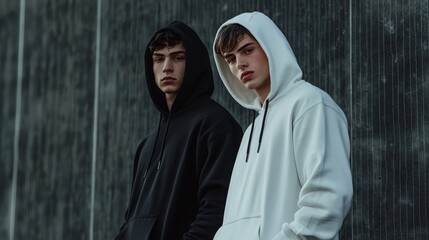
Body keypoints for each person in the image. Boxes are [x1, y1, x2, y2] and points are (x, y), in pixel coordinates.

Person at [212, 11, 353, 240]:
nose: (240, 64)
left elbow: (326, 198)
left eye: (247, 50)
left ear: (270, 47)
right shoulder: (250, 131)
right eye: (230, 58)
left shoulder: (310, 103)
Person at [114, 21, 243, 240]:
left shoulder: (215, 125)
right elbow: (131, 219)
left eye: (177, 57)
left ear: (193, 62)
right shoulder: (146, 145)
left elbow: (216, 211)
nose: (167, 67)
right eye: (158, 58)